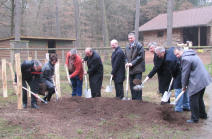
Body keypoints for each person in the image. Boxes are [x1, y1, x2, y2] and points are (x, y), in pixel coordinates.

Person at [174, 47, 211, 123]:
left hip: (197, 80)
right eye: (176, 55)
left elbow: (185, 74)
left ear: (182, 51)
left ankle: (194, 118)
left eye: (178, 54)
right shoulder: (192, 54)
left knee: (193, 99)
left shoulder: (185, 59)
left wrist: (183, 86)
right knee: (199, 98)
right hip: (204, 79)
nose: (177, 56)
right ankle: (203, 115)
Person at [155, 47, 190, 111]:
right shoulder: (171, 49)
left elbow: (173, 70)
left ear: (163, 52)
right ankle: (186, 105)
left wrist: (173, 76)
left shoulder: (168, 59)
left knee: (178, 89)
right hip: (183, 70)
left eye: (158, 54)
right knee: (184, 89)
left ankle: (178, 108)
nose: (158, 56)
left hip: (180, 72)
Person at [125, 32, 145, 100]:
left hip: (138, 69)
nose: (130, 39)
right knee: (131, 84)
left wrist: (132, 63)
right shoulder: (127, 46)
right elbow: (125, 56)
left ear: (134, 38)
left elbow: (141, 56)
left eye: (131, 38)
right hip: (130, 69)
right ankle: (133, 99)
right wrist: (127, 62)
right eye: (129, 38)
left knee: (137, 84)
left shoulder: (139, 46)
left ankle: (138, 100)